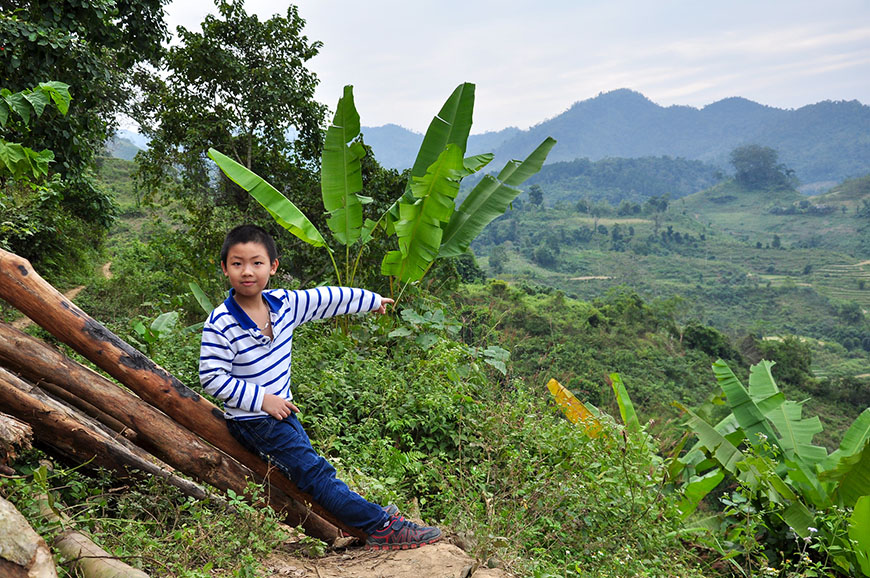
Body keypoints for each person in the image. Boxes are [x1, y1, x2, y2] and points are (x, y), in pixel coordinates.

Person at [199, 224, 442, 550]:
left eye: (257, 263)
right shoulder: (221, 322)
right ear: (225, 268)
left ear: (273, 267)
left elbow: (327, 298)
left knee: (311, 470)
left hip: (283, 412)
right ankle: (380, 526)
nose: (247, 272)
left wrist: (370, 300)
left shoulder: (284, 304)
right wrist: (262, 400)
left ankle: (351, 521)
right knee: (315, 473)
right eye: (237, 263)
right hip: (254, 421)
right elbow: (212, 377)